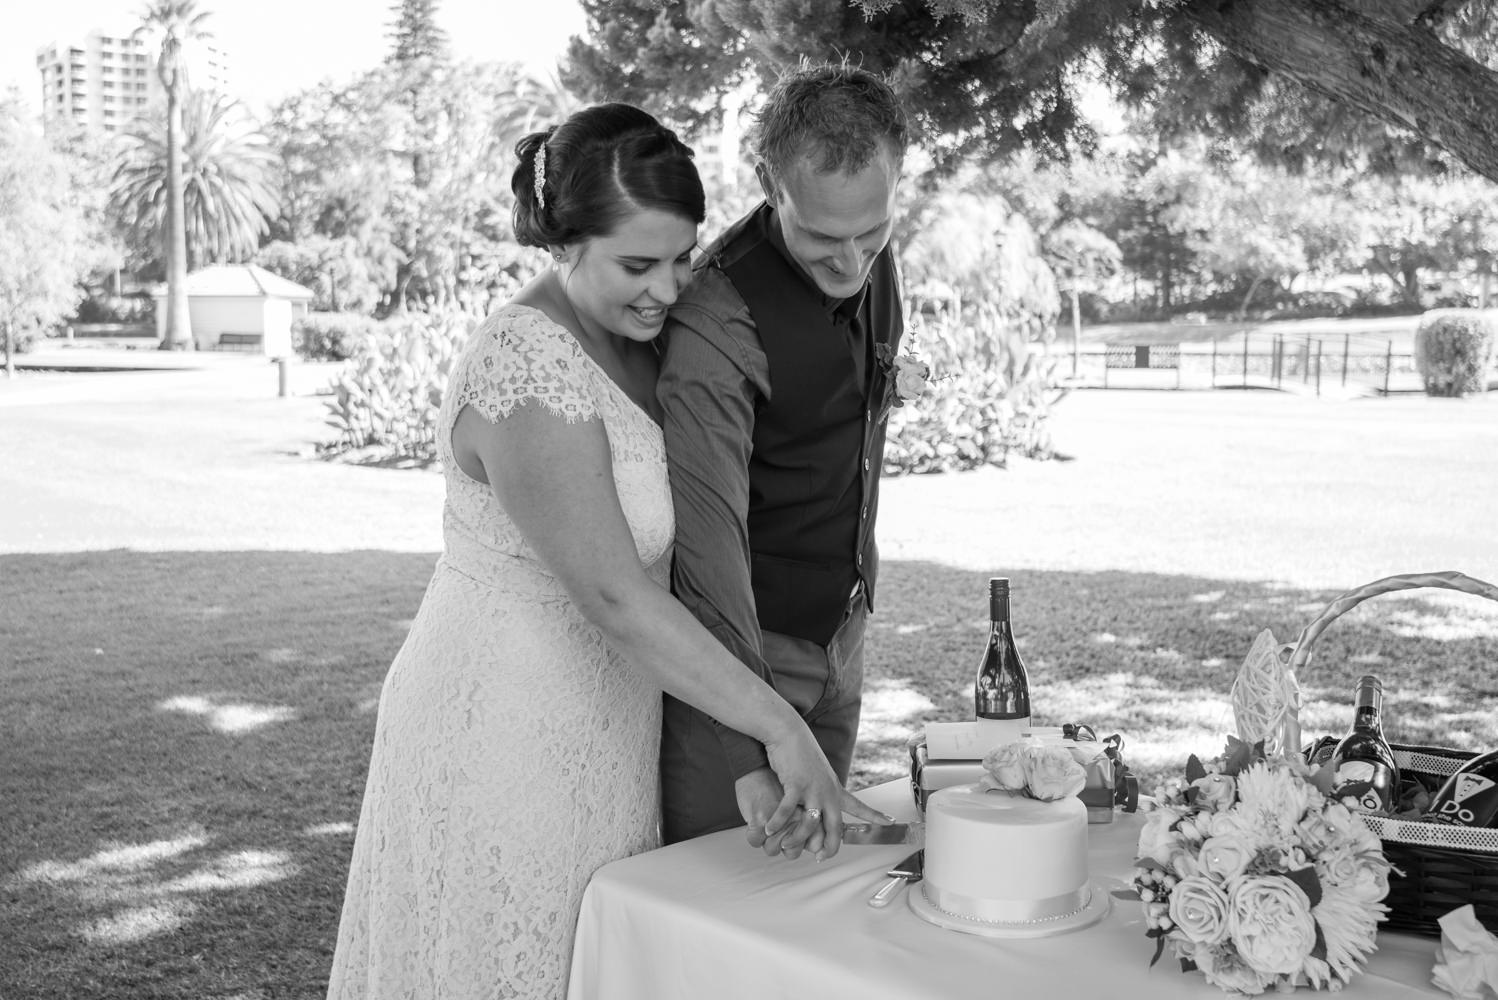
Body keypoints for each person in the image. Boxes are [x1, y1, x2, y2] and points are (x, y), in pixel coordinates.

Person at [326, 103, 887, 1000]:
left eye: (682, 257)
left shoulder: (640, 337)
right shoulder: (524, 364)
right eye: (638, 263)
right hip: (501, 729)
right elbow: (620, 598)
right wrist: (778, 729)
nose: (668, 289)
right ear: (566, 242)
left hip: (610, 724)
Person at [657, 64, 911, 852]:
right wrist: (745, 741)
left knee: (812, 898)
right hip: (742, 663)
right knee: (727, 903)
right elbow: (706, 549)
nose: (852, 264)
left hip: (843, 638)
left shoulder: (870, 255)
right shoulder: (715, 326)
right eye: (824, 237)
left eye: (873, 231)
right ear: (769, 181)